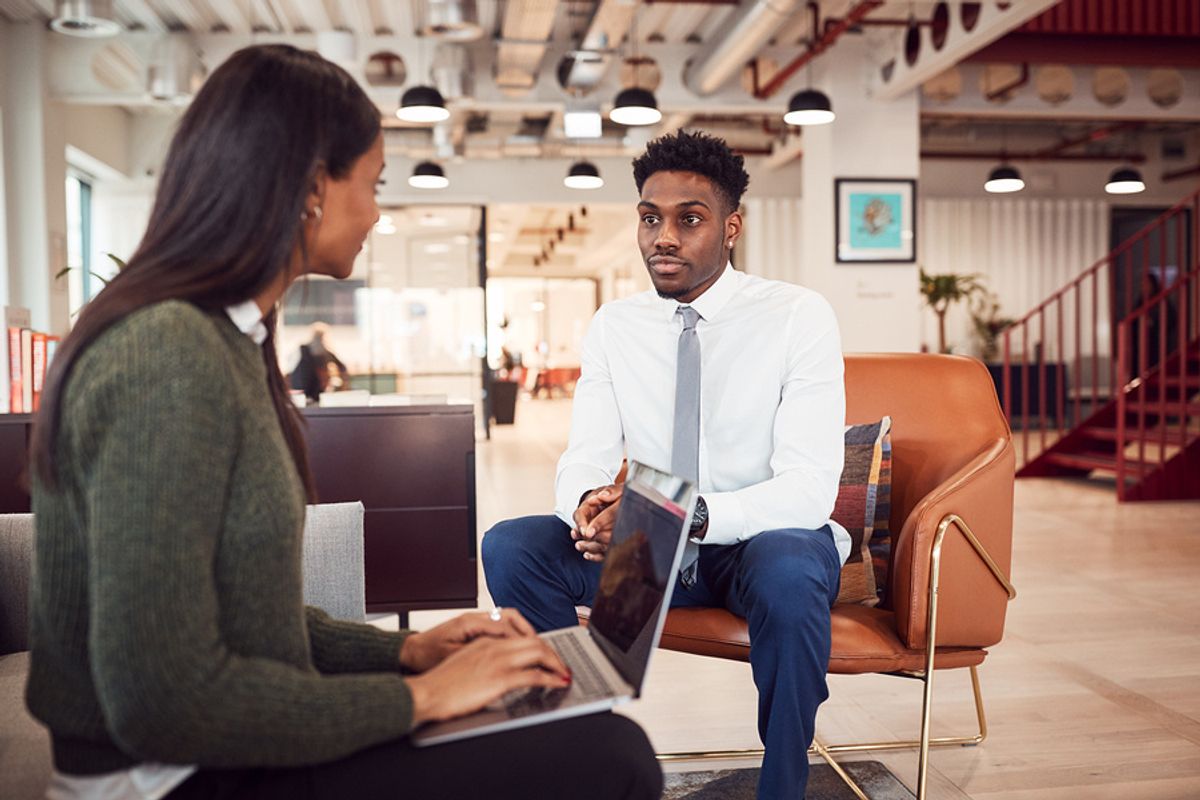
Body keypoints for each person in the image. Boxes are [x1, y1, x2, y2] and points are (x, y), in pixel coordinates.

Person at [26, 45, 661, 800]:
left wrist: (408, 652)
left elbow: (237, 618)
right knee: (609, 756)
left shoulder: (223, 338)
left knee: (577, 733)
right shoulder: (167, 355)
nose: (379, 210)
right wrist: (422, 698)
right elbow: (165, 703)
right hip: (171, 777)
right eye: (373, 183)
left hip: (213, 752)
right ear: (309, 191)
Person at [483, 130, 848, 800]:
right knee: (511, 547)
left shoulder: (797, 317)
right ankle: (587, 749)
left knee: (793, 568)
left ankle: (785, 783)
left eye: (689, 219)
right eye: (651, 218)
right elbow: (586, 454)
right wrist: (589, 506)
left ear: (731, 226)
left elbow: (806, 491)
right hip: (649, 550)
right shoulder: (616, 326)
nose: (664, 238)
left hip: (757, 546)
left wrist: (691, 514)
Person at [289, 321, 349, 402]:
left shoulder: (304, 350)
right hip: (307, 390)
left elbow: (342, 367)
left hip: (307, 392)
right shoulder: (304, 350)